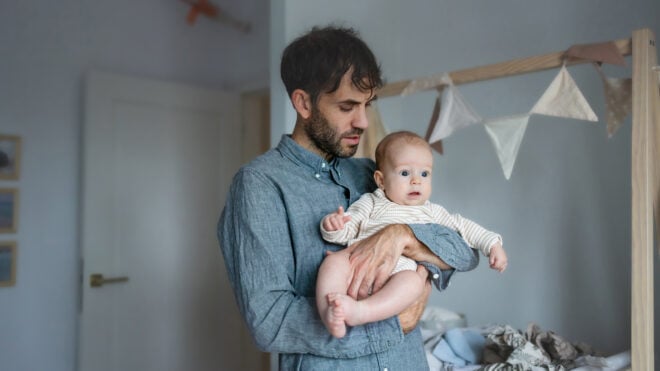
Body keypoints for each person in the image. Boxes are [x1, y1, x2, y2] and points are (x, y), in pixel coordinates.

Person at [218, 25, 479, 370]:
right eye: (347, 106)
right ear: (303, 102)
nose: (363, 121)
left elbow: (464, 252)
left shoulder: (373, 173)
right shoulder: (259, 186)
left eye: (367, 105)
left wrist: (403, 237)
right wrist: (392, 323)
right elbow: (269, 321)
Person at [317, 131, 507, 338]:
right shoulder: (371, 202)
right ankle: (329, 313)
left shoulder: (431, 211)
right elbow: (347, 229)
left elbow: (464, 228)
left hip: (400, 272)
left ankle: (361, 312)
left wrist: (492, 245)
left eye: (424, 174)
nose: (416, 181)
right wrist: (334, 226)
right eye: (405, 173)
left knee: (413, 283)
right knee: (333, 263)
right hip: (357, 263)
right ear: (381, 180)